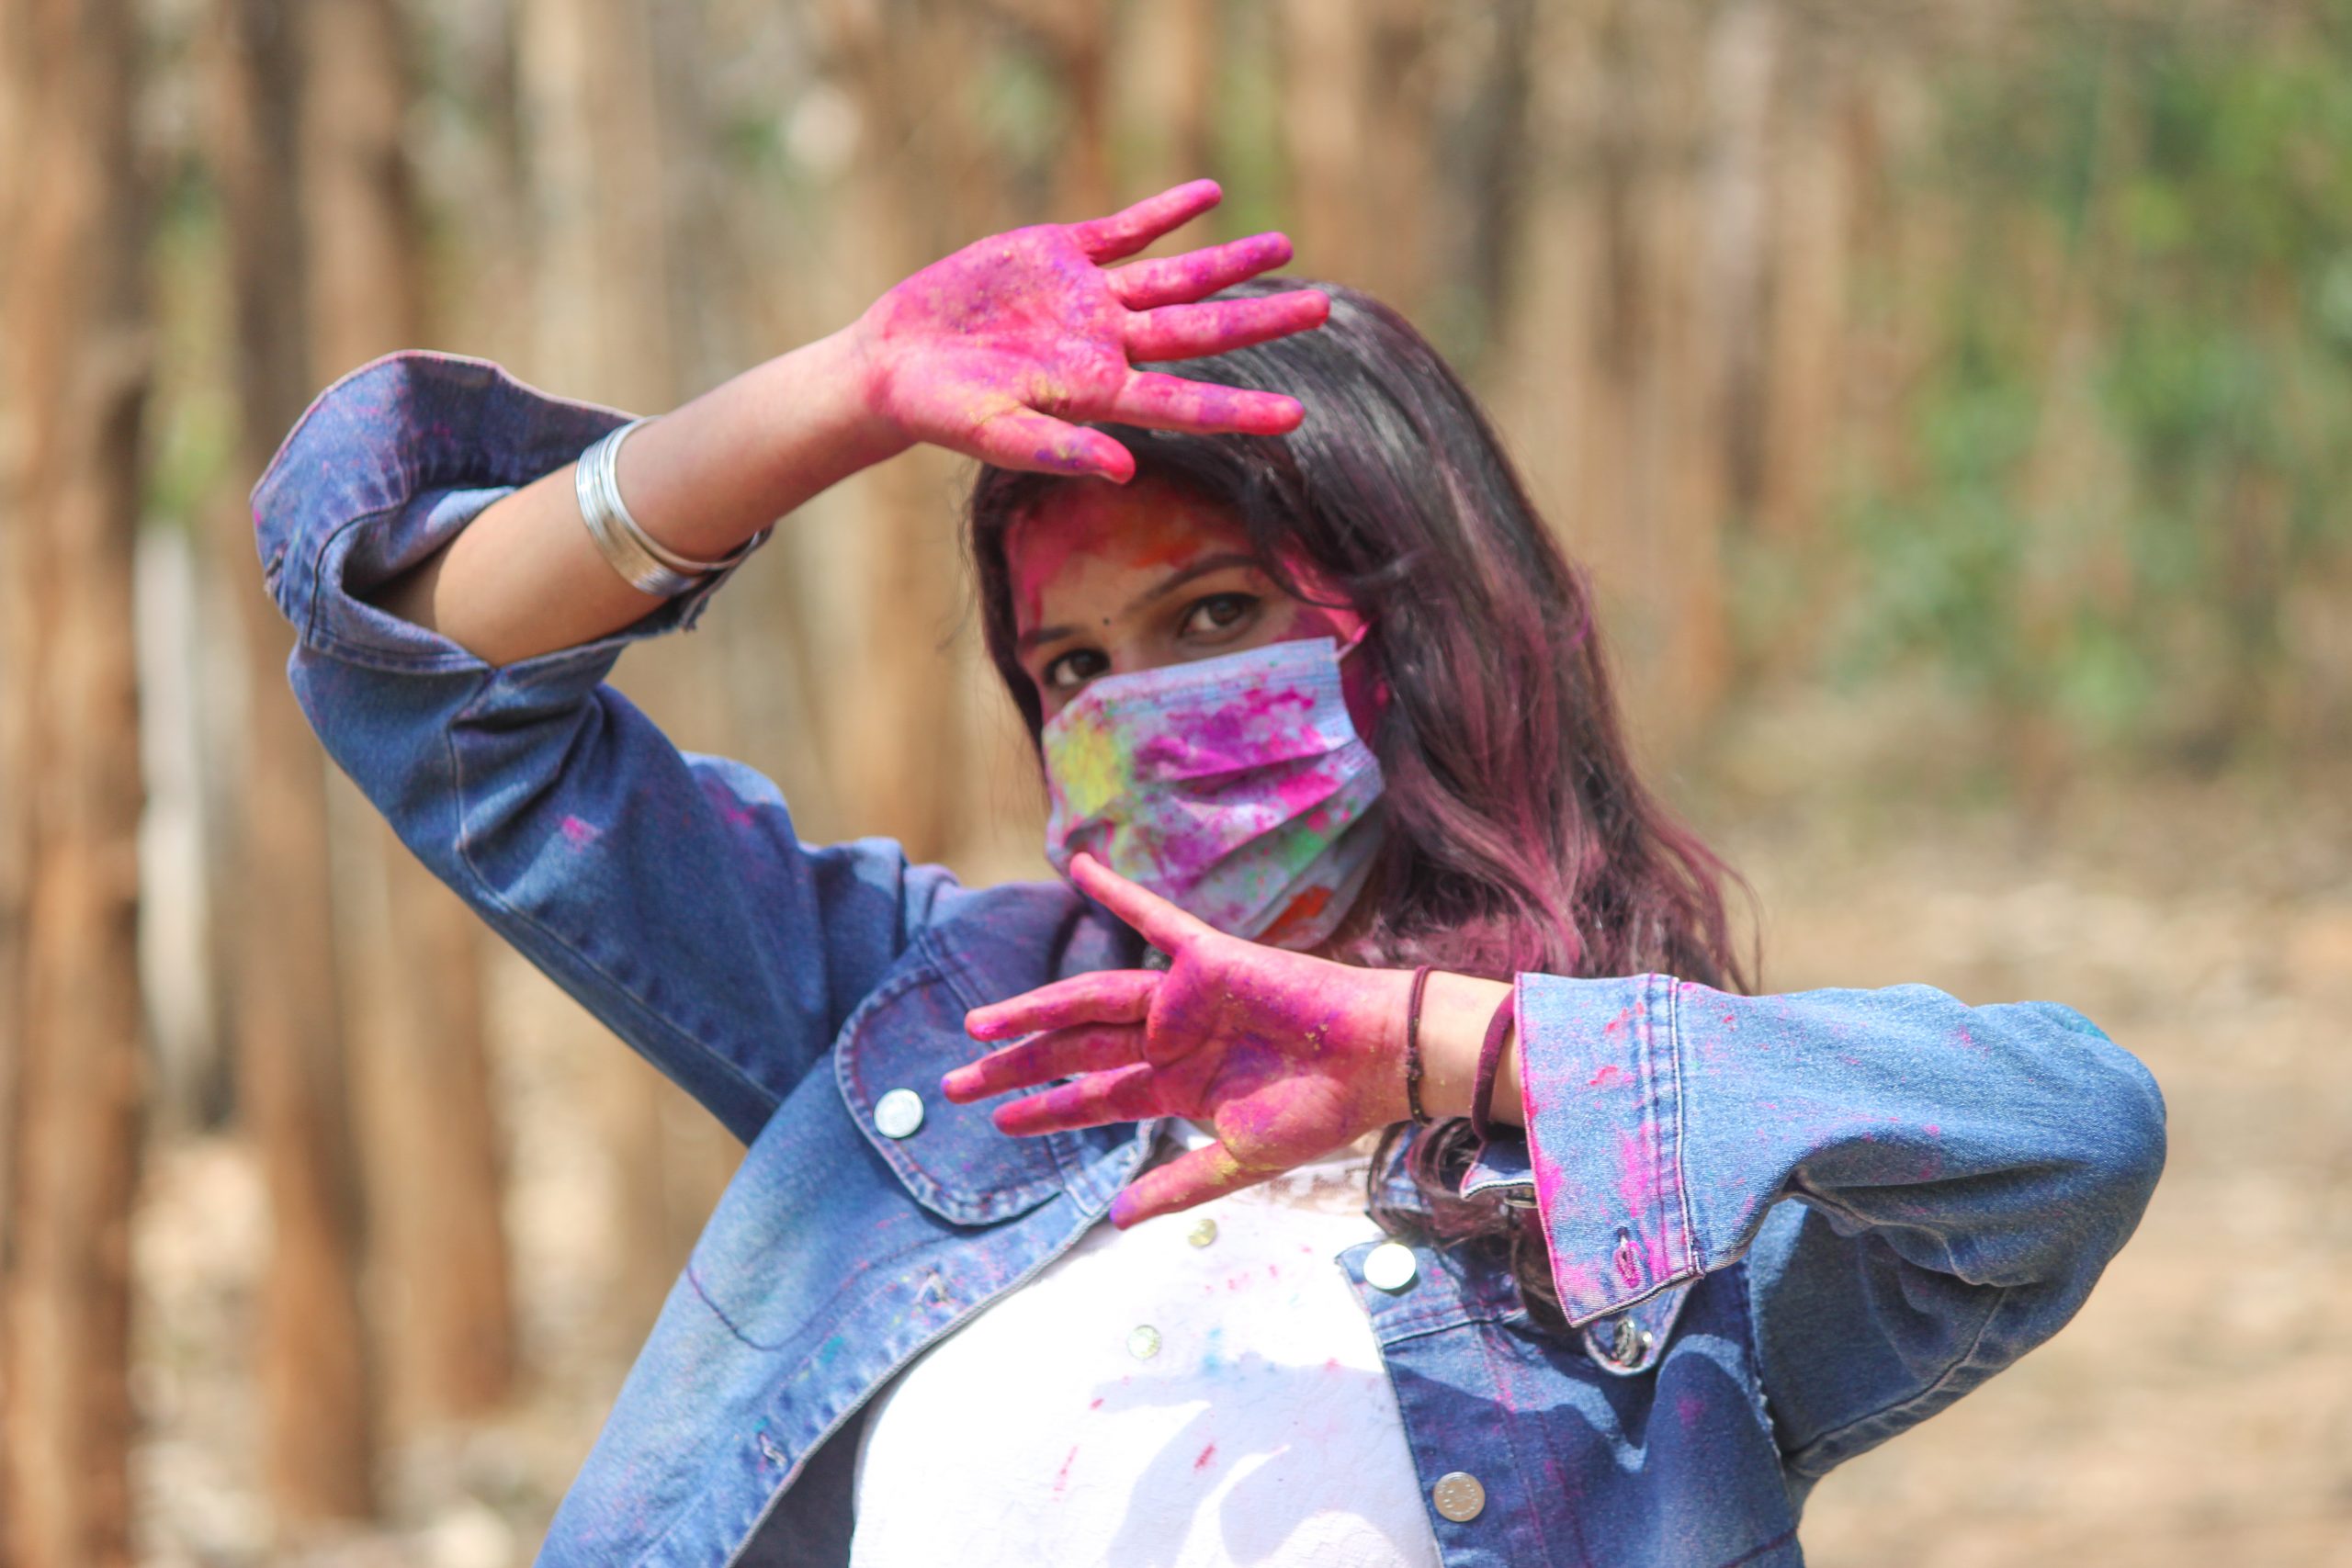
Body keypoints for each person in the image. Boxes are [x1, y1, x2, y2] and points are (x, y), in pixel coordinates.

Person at [254, 179, 2165, 1567]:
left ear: (1427, 629)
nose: (1137, 705)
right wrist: (831, 396)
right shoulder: (949, 1026)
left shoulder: (1660, 1199)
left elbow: (2064, 1133)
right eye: (1072, 665)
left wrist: (1443, 1047)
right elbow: (427, 698)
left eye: (1217, 609)